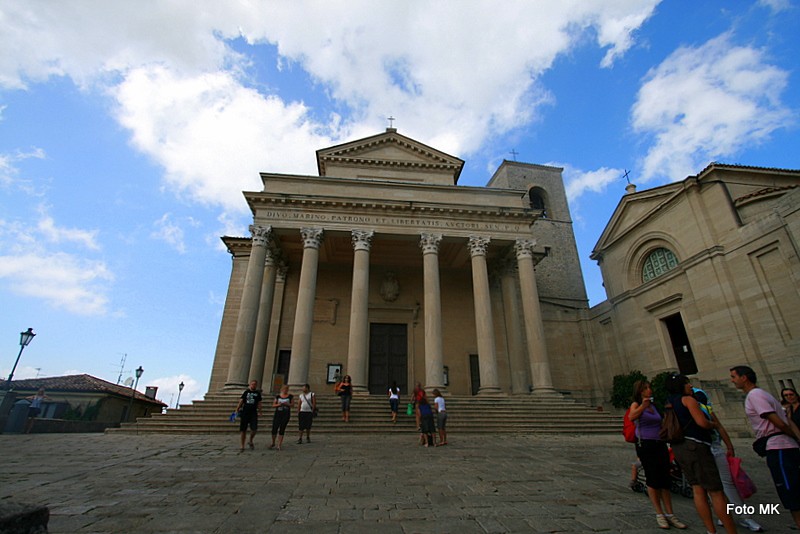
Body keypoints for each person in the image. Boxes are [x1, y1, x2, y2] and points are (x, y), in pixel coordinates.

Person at [665, 373, 737, 533]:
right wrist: (714, 425)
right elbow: (701, 423)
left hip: (680, 448)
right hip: (696, 446)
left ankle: (710, 530)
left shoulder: (669, 402)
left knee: (697, 489)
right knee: (716, 491)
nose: (690, 386)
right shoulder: (688, 400)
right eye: (687, 383)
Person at [731, 365, 800, 529]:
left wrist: (789, 435)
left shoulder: (755, 396)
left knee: (791, 492)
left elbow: (778, 421)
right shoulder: (764, 394)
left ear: (744, 377)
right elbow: (787, 419)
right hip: (785, 445)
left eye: (734, 377)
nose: (732, 381)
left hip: (779, 447)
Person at [693, 388, 764, 532]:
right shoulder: (686, 408)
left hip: (715, 448)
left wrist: (729, 446)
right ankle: (724, 515)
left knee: (726, 484)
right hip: (700, 450)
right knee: (712, 487)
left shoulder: (704, 408)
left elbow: (719, 426)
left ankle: (745, 517)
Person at [627, 380, 686, 529]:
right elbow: (631, 417)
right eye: (645, 388)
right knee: (652, 478)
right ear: (639, 392)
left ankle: (670, 514)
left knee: (665, 479)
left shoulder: (655, 406)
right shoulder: (636, 405)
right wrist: (643, 406)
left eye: (649, 387)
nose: (649, 390)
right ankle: (659, 513)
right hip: (645, 445)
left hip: (660, 444)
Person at [235, 380, 263, 452]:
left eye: (255, 384)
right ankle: (242, 445)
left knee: (254, 429)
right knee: (243, 430)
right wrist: (237, 409)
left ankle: (250, 440)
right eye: (252, 384)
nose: (253, 385)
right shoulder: (246, 392)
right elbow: (241, 401)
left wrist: (260, 411)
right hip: (245, 412)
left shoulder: (257, 393)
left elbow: (259, 403)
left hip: (253, 413)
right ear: (250, 385)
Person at [269, 384, 294, 451]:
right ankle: (273, 442)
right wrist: (279, 404)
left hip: (286, 414)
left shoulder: (290, 396)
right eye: (284, 389)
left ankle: (279, 444)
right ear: (282, 389)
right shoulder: (277, 396)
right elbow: (274, 405)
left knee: (282, 428)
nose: (285, 390)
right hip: (278, 414)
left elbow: (292, 405)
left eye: (287, 389)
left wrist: (287, 404)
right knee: (274, 428)